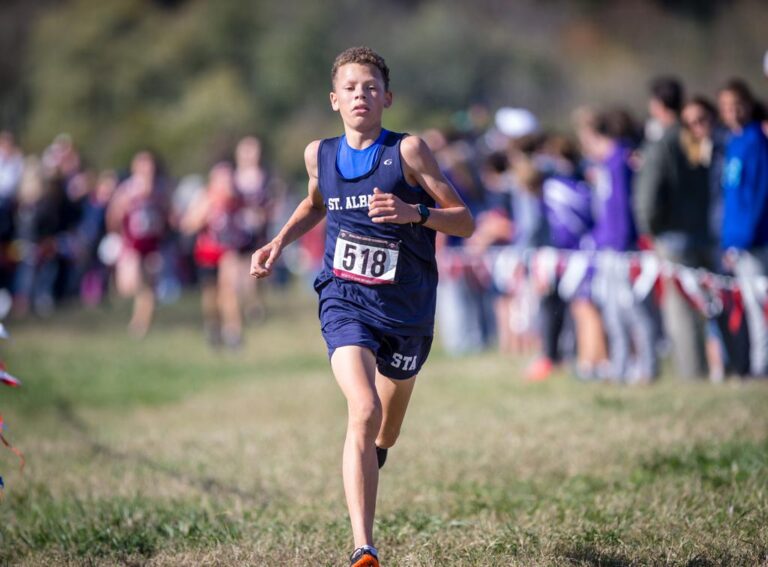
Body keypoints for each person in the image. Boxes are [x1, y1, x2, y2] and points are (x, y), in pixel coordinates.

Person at [250, 46, 473, 567]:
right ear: (334, 99)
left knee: (385, 431)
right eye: (350, 87)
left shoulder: (409, 152)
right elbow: (315, 203)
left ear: (387, 97)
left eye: (370, 87)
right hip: (344, 300)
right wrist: (278, 242)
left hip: (408, 311)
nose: (360, 95)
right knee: (364, 409)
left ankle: (374, 458)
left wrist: (413, 212)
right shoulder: (318, 155)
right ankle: (363, 547)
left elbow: (463, 220)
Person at [633, 76, 712, 380]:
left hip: (673, 239)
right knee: (712, 308)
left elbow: (648, 194)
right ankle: (727, 369)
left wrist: (648, 230)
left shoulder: (663, 142)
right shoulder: (695, 137)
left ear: (657, 104)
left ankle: (693, 374)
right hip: (704, 233)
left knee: (681, 312)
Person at [718, 79, 768, 377]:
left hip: (755, 241)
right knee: (749, 306)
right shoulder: (733, 143)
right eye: (726, 107)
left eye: (736, 106)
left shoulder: (756, 143)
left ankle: (762, 365)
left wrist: (744, 238)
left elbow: (759, 195)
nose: (732, 112)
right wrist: (728, 242)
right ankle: (756, 363)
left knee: (759, 305)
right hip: (737, 241)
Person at [182, 162, 249, 349]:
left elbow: (249, 219)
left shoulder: (237, 200)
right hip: (207, 252)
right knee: (211, 295)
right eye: (222, 180)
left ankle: (234, 332)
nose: (227, 184)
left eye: (229, 179)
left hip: (229, 251)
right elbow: (188, 225)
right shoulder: (205, 197)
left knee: (230, 289)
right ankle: (213, 326)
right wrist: (204, 214)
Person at [107, 151, 169, 337]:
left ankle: (140, 324)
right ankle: (115, 290)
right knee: (130, 285)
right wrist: (115, 232)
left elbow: (168, 212)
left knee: (149, 285)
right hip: (131, 242)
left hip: (152, 242)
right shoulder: (127, 188)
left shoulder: (160, 189)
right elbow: (113, 214)